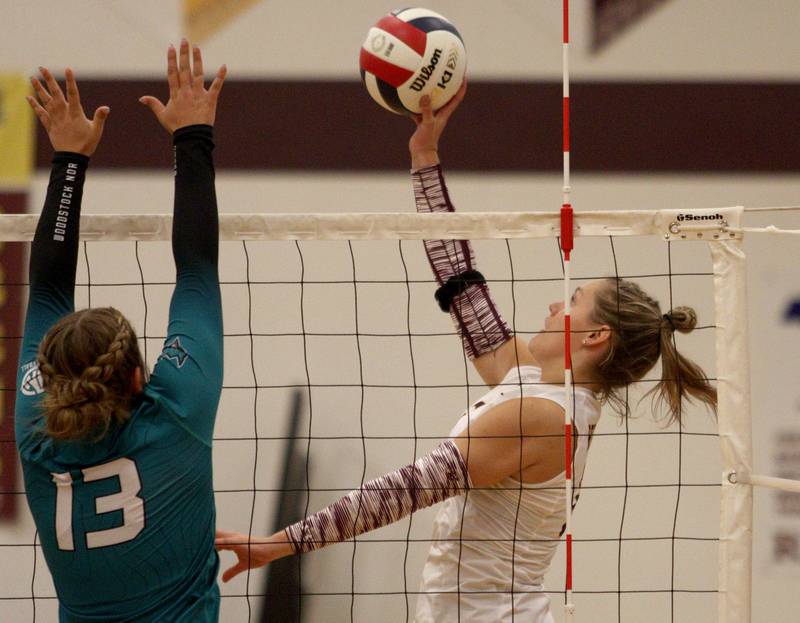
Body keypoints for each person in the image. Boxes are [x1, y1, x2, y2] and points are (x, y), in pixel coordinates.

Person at [215, 83, 716, 622]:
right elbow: (463, 288)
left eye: (572, 300)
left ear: (596, 337)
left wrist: (280, 543)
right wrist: (425, 159)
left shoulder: (542, 416)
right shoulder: (540, 386)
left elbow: (405, 490)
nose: (554, 304)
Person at [16, 41, 226, 622]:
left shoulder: (38, 440)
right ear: (138, 375)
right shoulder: (176, 417)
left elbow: (48, 290)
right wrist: (191, 137)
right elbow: (198, 268)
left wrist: (68, 158)